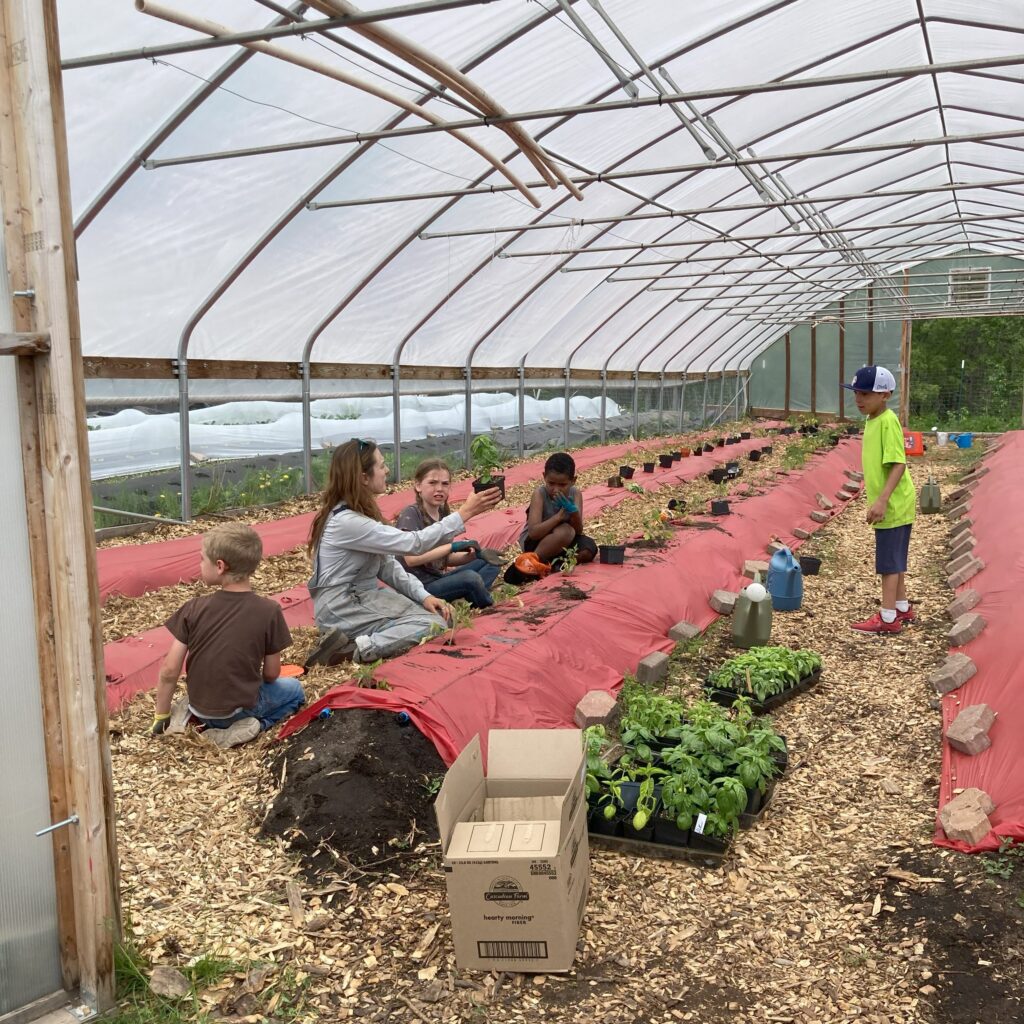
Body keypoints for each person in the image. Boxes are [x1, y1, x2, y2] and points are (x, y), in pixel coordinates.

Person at [305, 439, 501, 667]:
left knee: (442, 617)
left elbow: (388, 566)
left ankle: (360, 637)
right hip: (344, 605)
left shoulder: (361, 514)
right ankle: (353, 650)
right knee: (433, 625)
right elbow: (413, 544)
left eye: (445, 483)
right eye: (381, 465)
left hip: (364, 597)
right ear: (363, 478)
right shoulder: (347, 522)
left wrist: (424, 596)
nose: (387, 470)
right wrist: (464, 513)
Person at [148, 523, 304, 748]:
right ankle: (255, 725)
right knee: (295, 690)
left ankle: (186, 717)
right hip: (238, 710)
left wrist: (160, 717)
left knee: (202, 696)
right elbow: (271, 674)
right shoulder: (269, 611)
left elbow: (169, 670)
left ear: (220, 566)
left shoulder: (194, 608)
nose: (200, 564)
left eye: (203, 559)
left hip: (200, 705)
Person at [841, 365, 917, 633]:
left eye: (865, 394)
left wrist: (882, 500)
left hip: (894, 504)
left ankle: (887, 619)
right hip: (895, 503)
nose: (859, 399)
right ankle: (902, 608)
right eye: (856, 393)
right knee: (895, 559)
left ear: (885, 395)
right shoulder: (873, 419)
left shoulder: (887, 422)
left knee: (888, 564)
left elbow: (898, 464)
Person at [395, 459, 501, 609]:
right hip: (421, 588)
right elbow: (411, 560)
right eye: (432, 483)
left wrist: (475, 555)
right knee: (470, 578)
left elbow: (444, 559)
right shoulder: (411, 514)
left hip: (438, 578)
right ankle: (485, 603)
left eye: (445, 484)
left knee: (491, 562)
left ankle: (465, 596)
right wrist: (453, 546)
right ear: (418, 486)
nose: (439, 489)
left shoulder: (443, 513)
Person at [514, 452, 597, 577]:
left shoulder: (575, 494)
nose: (556, 489)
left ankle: (555, 565)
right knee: (566, 531)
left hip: (562, 543)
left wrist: (574, 513)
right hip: (537, 543)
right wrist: (558, 517)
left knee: (589, 549)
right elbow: (533, 532)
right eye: (551, 483)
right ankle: (532, 562)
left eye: (562, 485)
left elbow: (579, 531)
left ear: (573, 481)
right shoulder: (540, 494)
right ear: (544, 477)